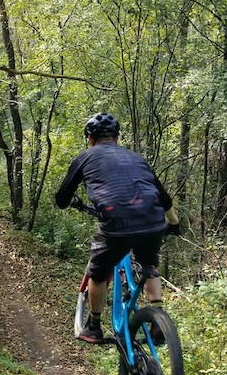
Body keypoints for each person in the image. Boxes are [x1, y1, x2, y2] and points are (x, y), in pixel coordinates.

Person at [55, 112, 180, 344]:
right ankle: (159, 319)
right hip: (154, 222)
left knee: (99, 273)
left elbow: (62, 199)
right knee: (149, 263)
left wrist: (71, 202)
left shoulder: (85, 157)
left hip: (115, 226)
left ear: (90, 139)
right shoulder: (137, 158)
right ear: (117, 137)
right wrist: (173, 224)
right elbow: (164, 198)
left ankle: (93, 326)